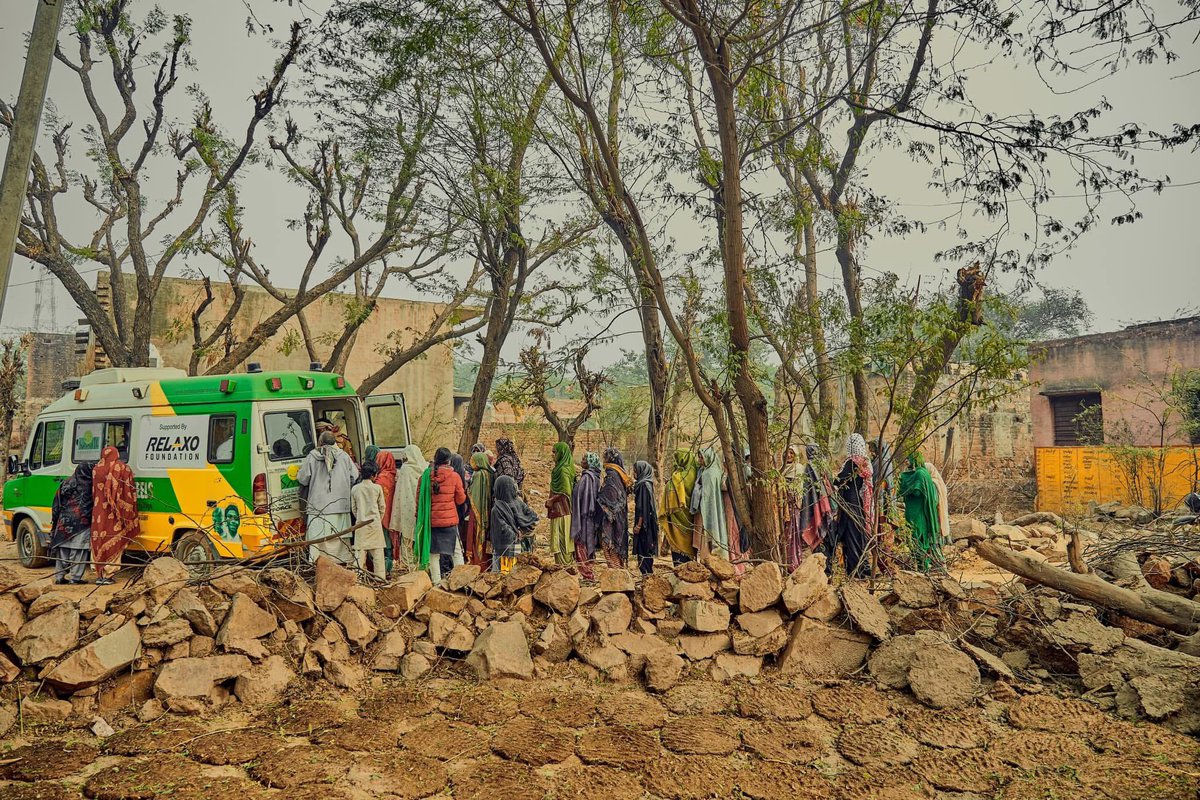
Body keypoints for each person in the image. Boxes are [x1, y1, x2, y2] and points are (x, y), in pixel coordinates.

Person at [298, 430, 360, 564]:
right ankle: (341, 561)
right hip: (340, 504)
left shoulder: (312, 456)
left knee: (318, 539)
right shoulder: (344, 456)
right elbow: (354, 476)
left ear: (320, 442)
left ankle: (318, 562)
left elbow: (303, 479)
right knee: (339, 537)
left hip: (318, 506)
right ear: (334, 442)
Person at [416, 447, 466, 584]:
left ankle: (437, 582)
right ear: (449, 461)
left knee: (433, 554)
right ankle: (461, 581)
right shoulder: (454, 476)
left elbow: (419, 500)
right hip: (450, 521)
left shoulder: (425, 477)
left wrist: (418, 516)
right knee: (456, 552)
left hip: (432, 521)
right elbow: (460, 499)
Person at [827, 433, 874, 578]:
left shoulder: (852, 463)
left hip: (850, 505)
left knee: (851, 536)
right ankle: (862, 568)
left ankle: (855, 570)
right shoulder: (864, 462)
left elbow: (839, 481)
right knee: (858, 536)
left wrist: (829, 479)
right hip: (858, 505)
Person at [91, 446, 139, 585]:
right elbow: (128, 490)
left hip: (98, 511)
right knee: (114, 538)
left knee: (98, 540)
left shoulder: (96, 469)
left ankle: (99, 574)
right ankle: (108, 574)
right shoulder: (122, 468)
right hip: (113, 513)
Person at [781, 444, 832, 571]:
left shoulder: (800, 469)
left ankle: (795, 562)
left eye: (792, 453)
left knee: (794, 534)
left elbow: (802, 491)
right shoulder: (780, 470)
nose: (789, 455)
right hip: (782, 507)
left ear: (796, 455)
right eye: (787, 453)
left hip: (795, 506)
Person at [51, 462, 95, 584]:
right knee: (79, 550)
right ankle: (75, 578)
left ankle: (59, 577)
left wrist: (55, 520)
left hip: (63, 522)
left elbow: (56, 502)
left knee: (62, 549)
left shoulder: (66, 482)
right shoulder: (91, 486)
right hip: (82, 524)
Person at [900, 453, 944, 572]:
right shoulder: (922, 472)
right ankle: (923, 566)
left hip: (917, 513)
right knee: (919, 538)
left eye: (909, 459)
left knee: (917, 537)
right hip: (918, 512)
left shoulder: (920, 473)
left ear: (915, 459)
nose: (906, 461)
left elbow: (917, 492)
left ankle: (922, 567)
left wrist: (906, 484)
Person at [490, 475, 538, 573]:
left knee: (500, 575)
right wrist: (522, 532)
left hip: (503, 549)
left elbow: (503, 529)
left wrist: (514, 534)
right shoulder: (519, 502)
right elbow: (533, 518)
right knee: (516, 574)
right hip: (520, 547)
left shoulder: (498, 508)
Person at [389, 444, 427, 568]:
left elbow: (400, 492)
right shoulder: (424, 468)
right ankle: (421, 565)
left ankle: (409, 566)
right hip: (421, 508)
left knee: (407, 539)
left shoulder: (405, 469)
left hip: (407, 507)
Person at [364, 446, 398, 573]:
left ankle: (384, 568)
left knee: (383, 540)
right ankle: (388, 567)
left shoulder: (381, 479)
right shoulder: (392, 475)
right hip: (390, 512)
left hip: (381, 514)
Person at [351, 461, 388, 579]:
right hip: (375, 525)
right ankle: (380, 578)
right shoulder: (377, 488)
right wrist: (378, 519)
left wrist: (360, 517)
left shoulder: (355, 489)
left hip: (360, 525)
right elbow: (382, 507)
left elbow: (354, 508)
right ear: (373, 475)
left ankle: (357, 579)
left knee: (360, 554)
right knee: (378, 555)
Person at [662, 450, 699, 565]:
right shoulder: (698, 475)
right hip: (693, 521)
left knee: (678, 549)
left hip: (677, 520)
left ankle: (679, 569)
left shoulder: (676, 478)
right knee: (691, 551)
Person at [597, 447, 632, 567]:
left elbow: (610, 498)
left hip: (611, 518)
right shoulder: (619, 474)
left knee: (610, 544)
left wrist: (599, 498)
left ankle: (615, 571)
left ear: (609, 459)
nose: (603, 460)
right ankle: (617, 569)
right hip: (618, 517)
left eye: (604, 457)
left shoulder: (612, 475)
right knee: (616, 544)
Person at [691, 447, 729, 560]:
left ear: (708, 457)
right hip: (715, 509)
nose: (699, 460)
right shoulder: (716, 471)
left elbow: (706, 495)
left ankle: (706, 559)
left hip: (707, 510)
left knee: (706, 536)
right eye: (699, 457)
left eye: (702, 458)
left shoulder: (708, 474)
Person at [570, 452, 602, 579]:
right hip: (590, 519)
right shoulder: (595, 476)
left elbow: (582, 497)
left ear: (590, 462)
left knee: (582, 544)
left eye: (584, 459)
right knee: (588, 544)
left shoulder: (587, 478)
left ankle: (587, 574)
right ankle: (588, 573)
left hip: (584, 518)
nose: (582, 460)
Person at [548, 441, 576, 566]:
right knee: (559, 539)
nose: (552, 455)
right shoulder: (559, 469)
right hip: (558, 510)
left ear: (561, 453)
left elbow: (566, 492)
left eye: (555, 452)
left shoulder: (563, 470)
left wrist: (552, 500)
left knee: (562, 540)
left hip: (562, 511)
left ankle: (565, 566)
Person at [632, 460, 660, 576]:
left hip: (644, 525)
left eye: (635, 471)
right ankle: (647, 576)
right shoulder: (646, 484)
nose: (633, 473)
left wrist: (639, 525)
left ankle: (647, 576)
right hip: (647, 523)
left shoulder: (643, 486)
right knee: (645, 549)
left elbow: (642, 508)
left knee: (644, 550)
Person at [466, 451, 493, 568]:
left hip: (477, 510)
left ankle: (477, 563)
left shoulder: (478, 475)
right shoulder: (491, 474)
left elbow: (473, 494)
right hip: (489, 510)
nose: (471, 464)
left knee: (475, 535)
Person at [924, 458, 952, 547]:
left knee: (936, 525)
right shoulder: (940, 482)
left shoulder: (933, 483)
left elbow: (934, 499)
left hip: (936, 509)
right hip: (941, 508)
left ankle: (936, 546)